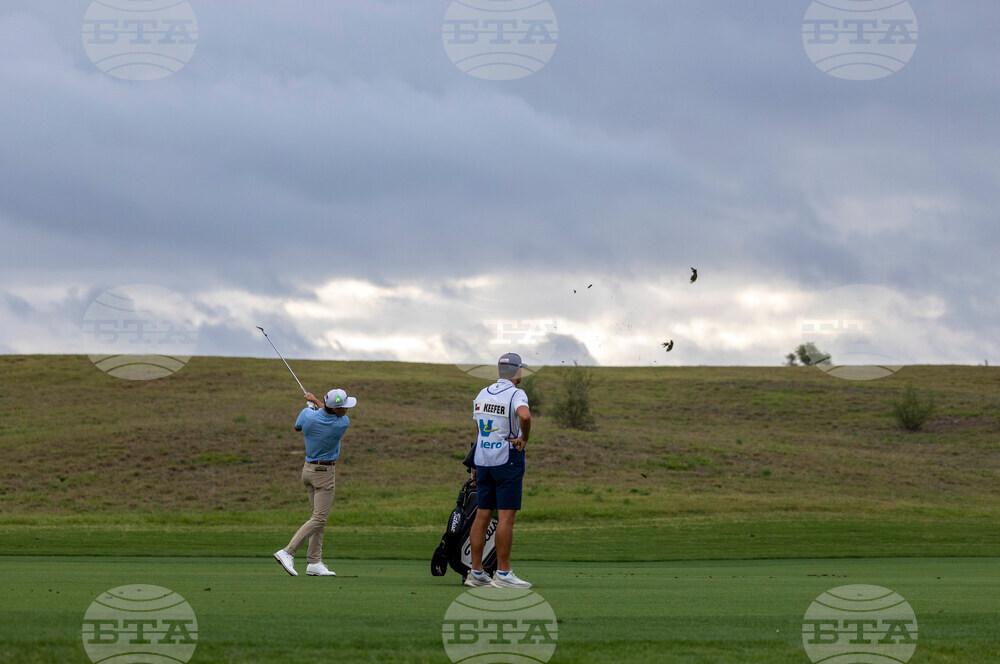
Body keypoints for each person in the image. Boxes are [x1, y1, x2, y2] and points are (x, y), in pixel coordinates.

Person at [465, 352, 532, 588]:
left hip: (483, 460)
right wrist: (523, 437)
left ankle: (476, 572)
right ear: (517, 371)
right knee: (506, 517)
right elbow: (524, 415)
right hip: (507, 460)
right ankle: (503, 574)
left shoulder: (483, 392)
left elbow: (478, 424)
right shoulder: (516, 393)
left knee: (482, 514)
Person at [273, 388, 357, 577]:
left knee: (317, 518)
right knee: (319, 519)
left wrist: (312, 405)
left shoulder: (306, 415)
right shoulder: (342, 423)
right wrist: (315, 402)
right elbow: (326, 411)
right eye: (344, 407)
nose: (347, 410)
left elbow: (298, 427)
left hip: (308, 471)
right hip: (324, 474)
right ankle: (287, 552)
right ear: (336, 410)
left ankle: (314, 562)